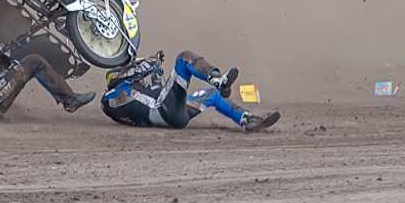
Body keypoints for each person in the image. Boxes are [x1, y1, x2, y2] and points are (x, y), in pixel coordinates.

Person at [101, 50, 280, 132]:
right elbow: (135, 75)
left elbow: (155, 93)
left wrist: (155, 75)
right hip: (163, 111)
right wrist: (152, 61)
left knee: (212, 95)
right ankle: (218, 79)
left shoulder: (127, 96)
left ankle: (247, 119)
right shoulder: (112, 96)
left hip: (174, 117)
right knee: (183, 58)